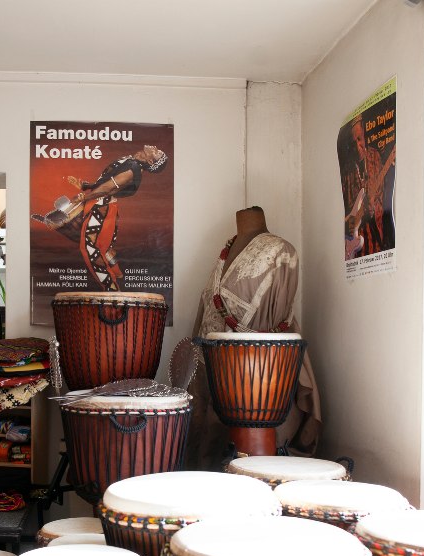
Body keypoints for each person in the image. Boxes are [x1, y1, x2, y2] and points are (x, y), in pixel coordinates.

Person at [187, 206, 321, 468]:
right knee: (208, 453)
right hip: (213, 368)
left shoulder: (282, 251)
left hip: (258, 373)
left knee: (250, 452)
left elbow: (277, 318)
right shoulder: (225, 251)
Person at [32, 145, 168, 291]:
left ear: (151, 161)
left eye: (157, 152)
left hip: (101, 208)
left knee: (90, 249)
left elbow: (107, 189)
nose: (154, 148)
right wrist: (85, 185)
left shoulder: (132, 169)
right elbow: (106, 181)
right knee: (103, 247)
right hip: (100, 205)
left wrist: (85, 197)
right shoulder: (131, 160)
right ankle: (118, 275)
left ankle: (112, 289)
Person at [339, 115, 395, 257]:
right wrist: (348, 222)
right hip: (354, 248)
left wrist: (373, 209)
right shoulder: (347, 171)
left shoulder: (375, 156)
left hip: (374, 242)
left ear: (365, 136)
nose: (358, 147)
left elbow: (382, 195)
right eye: (353, 143)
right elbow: (344, 210)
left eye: (360, 139)